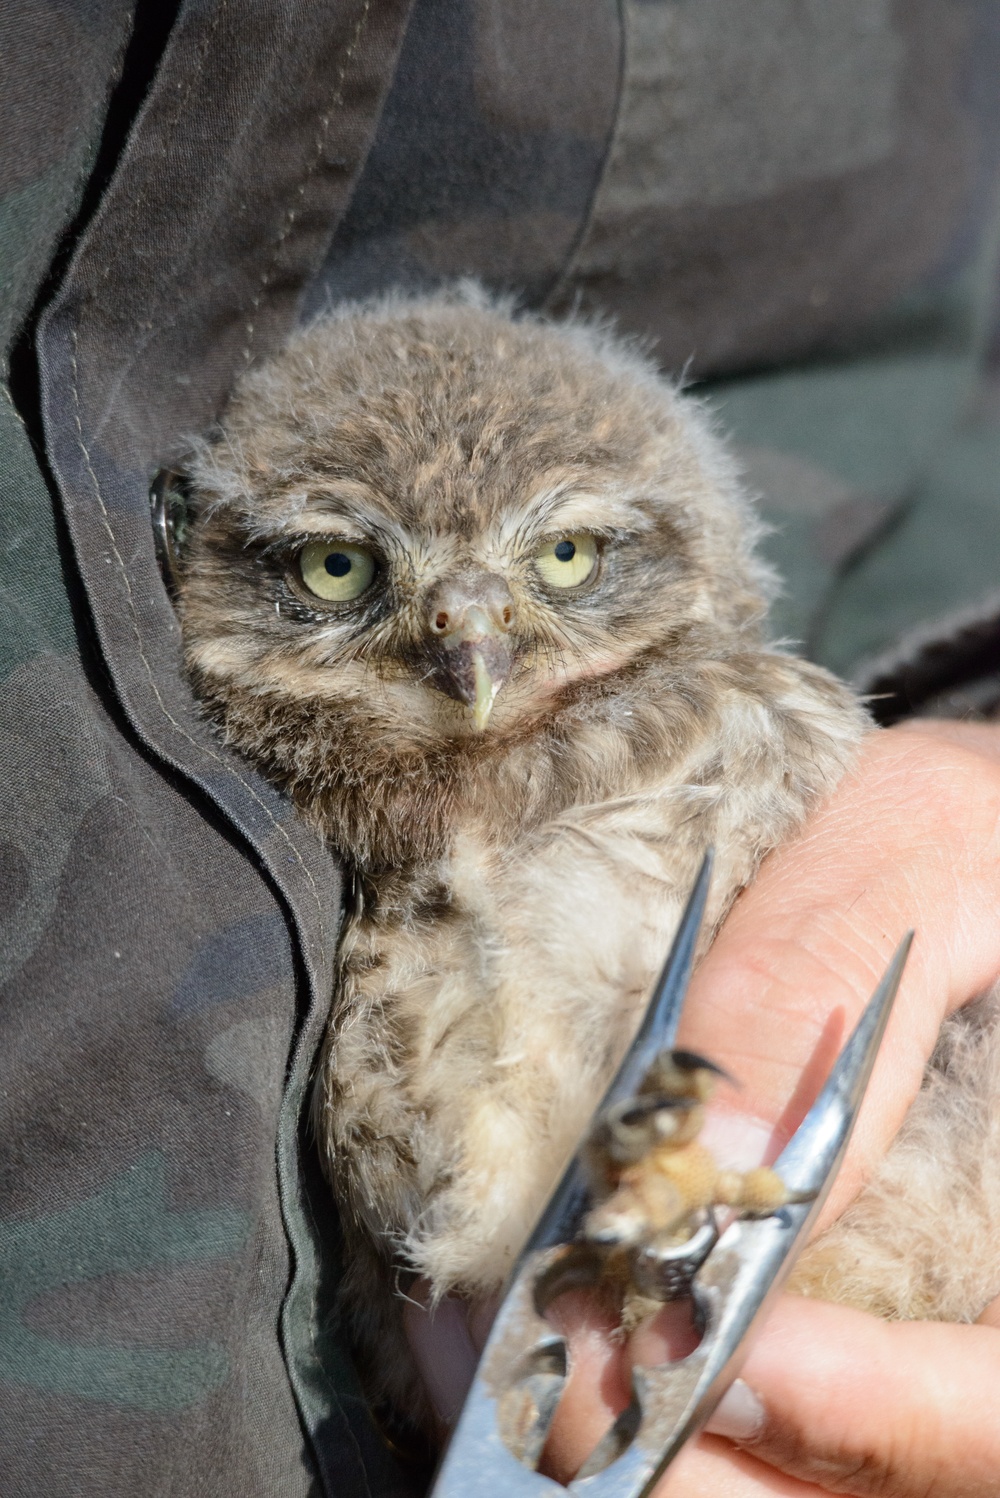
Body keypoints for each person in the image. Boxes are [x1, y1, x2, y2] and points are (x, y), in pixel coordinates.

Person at [2, 3, 1000, 1494]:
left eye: (570, 561)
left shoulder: (728, 729)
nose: (471, 656)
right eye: (341, 571)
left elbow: (966, 397)